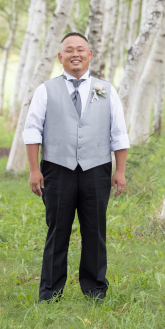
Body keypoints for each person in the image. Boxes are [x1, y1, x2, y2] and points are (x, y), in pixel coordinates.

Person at [23, 32, 129, 302]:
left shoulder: (106, 90)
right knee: (57, 230)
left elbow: (119, 133)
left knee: (95, 230)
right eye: (69, 50)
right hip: (57, 168)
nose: (75, 54)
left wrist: (120, 171)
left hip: (97, 168)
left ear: (89, 55)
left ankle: (95, 290)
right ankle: (50, 292)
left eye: (80, 49)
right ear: (60, 57)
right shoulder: (45, 90)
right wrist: (34, 170)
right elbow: (32, 130)